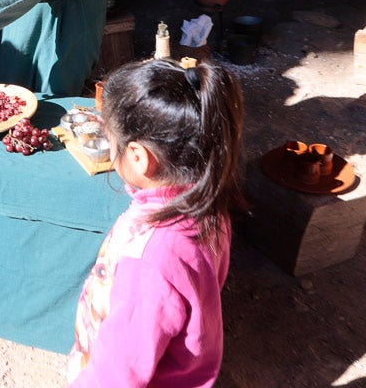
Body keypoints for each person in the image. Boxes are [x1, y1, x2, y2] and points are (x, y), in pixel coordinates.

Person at [67, 59, 246, 388]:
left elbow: (117, 375)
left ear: (137, 156)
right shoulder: (206, 199)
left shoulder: (148, 261)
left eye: (111, 140)